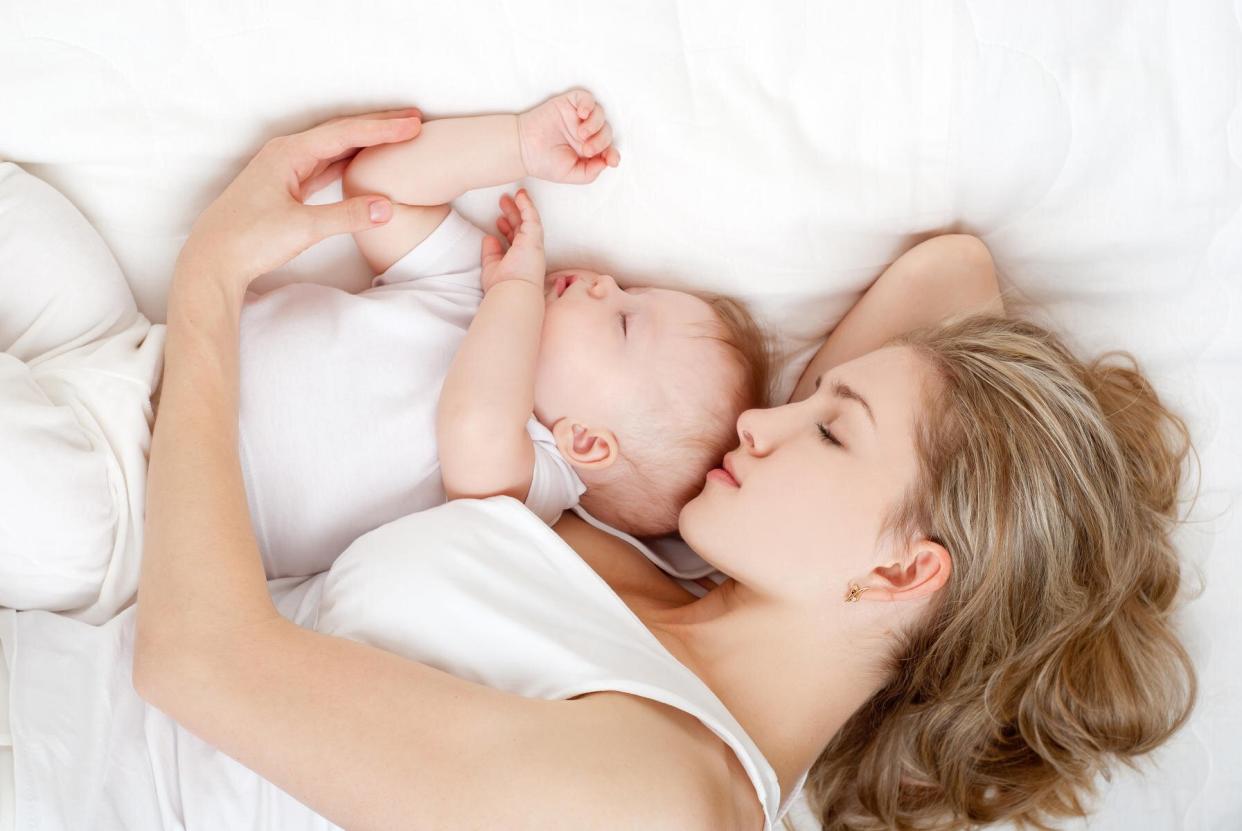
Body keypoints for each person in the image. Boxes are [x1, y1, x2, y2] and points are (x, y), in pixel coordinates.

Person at [0, 108, 1197, 830]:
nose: (762, 425)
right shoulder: (651, 571)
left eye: (827, 428)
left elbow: (197, 662)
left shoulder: (661, 803)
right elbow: (954, 271)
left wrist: (208, 290)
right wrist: (947, 454)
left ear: (901, 574)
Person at [240, 89, 770, 579]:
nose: (606, 283)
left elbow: (473, 425)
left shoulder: (531, 481)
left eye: (624, 321)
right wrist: (519, 143)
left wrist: (513, 292)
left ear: (583, 440)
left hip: (196, 509)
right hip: (180, 358)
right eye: (630, 287)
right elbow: (377, 190)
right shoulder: (480, 284)